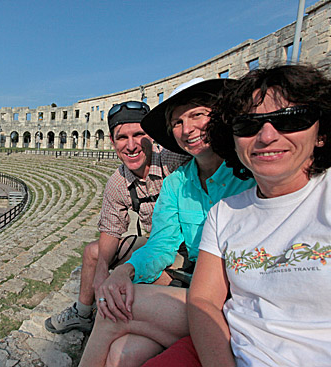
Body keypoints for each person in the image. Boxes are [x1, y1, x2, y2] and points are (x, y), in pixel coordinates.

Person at [79, 78, 255, 367]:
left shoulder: (248, 174)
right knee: (123, 352)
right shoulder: (177, 183)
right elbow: (161, 242)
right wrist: (126, 269)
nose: (187, 129)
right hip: (197, 287)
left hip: (233, 300)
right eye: (177, 122)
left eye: (197, 115)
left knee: (112, 313)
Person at [189, 64, 331, 367]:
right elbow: (203, 300)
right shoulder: (225, 213)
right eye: (248, 125)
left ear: (321, 133)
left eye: (290, 120)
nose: (267, 136)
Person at [45, 101, 189, 334]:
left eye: (138, 135)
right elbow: (111, 230)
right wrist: (102, 268)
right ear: (112, 142)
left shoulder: (173, 160)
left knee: (144, 281)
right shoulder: (117, 183)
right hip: (158, 244)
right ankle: (82, 313)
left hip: (188, 246)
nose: (131, 145)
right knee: (94, 252)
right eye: (122, 137)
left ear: (151, 136)